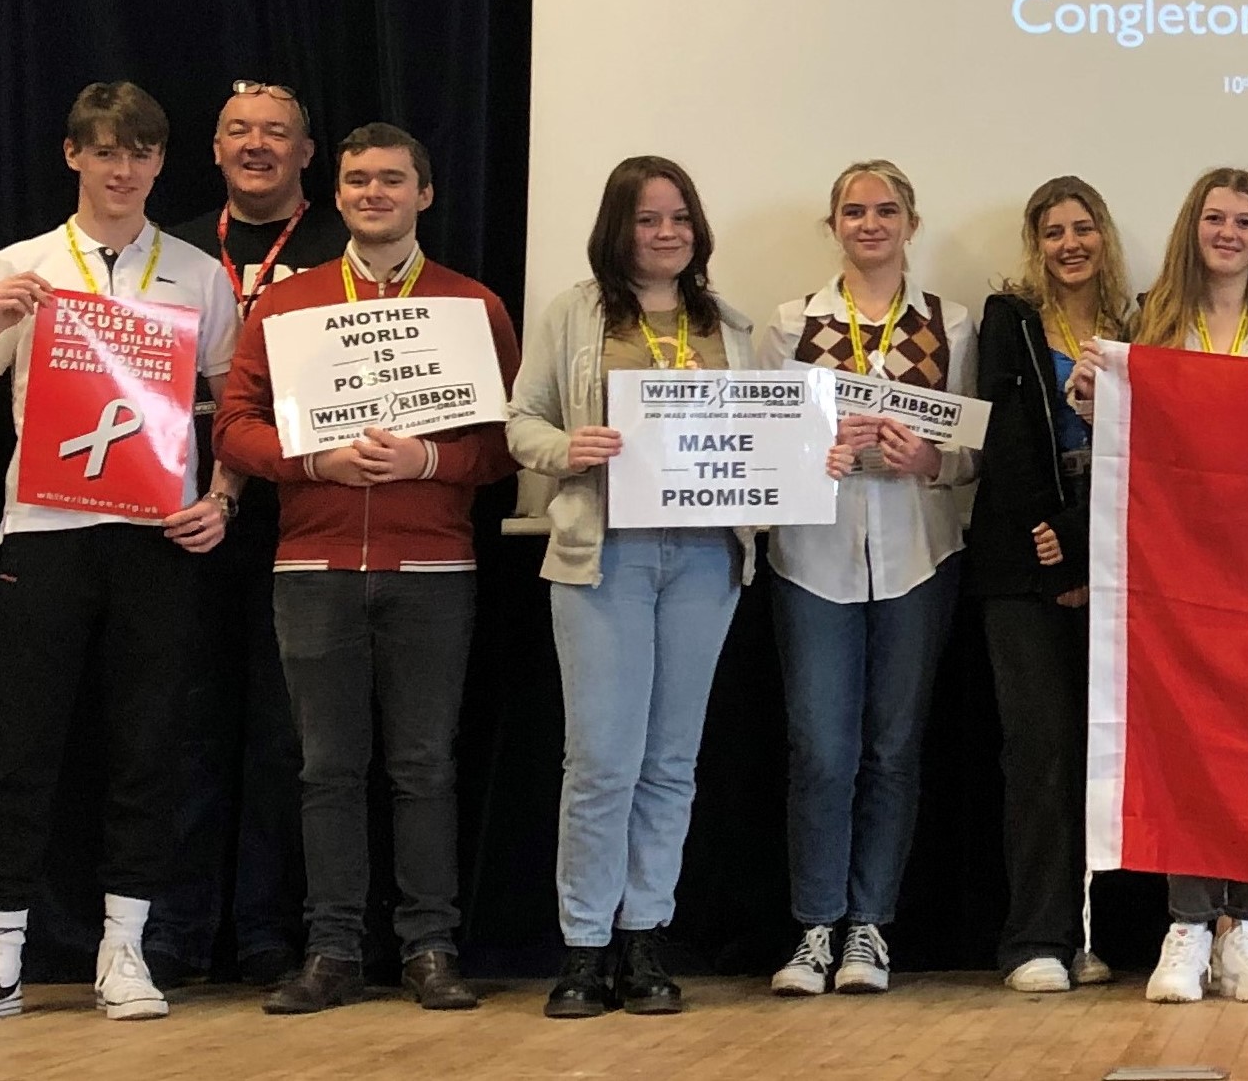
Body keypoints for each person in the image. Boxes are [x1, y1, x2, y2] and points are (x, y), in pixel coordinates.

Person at [0, 82, 247, 1027]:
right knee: (21, 747)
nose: (123, 169)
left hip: (156, 540)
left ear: (159, 164)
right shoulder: (21, 265)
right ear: (72, 157)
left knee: (145, 748)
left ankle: (126, 949)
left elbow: (239, 409)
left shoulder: (195, 272)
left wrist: (221, 498)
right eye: (105, 152)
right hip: (45, 535)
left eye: (140, 153)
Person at [213, 125, 518, 1015]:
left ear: (425, 194)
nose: (373, 193)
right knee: (325, 770)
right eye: (357, 181)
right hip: (311, 563)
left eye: (392, 180)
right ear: (336, 195)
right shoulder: (287, 303)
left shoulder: (472, 306)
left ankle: (429, 948)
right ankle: (333, 950)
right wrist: (315, 464)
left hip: (433, 568)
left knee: (424, 767)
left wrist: (429, 463)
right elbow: (233, 426)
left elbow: (505, 443)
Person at [507, 156, 766, 1018]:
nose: (665, 234)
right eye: (648, 219)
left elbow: (768, 436)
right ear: (617, 227)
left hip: (703, 560)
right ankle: (583, 948)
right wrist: (566, 450)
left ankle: (645, 937)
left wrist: (808, 462)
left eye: (679, 218)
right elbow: (521, 420)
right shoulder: (573, 315)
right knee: (601, 762)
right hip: (602, 556)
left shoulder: (730, 324)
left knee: (671, 764)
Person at [1102, 168, 1248, 1005]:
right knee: (1188, 745)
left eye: (1246, 220)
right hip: (1180, 565)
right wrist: (1100, 400)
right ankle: (1188, 925)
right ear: (1190, 226)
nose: (1230, 232)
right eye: (1215, 217)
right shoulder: (1153, 319)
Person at [756, 160, 980, 999]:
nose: (870, 223)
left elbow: (967, 455)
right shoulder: (787, 325)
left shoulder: (949, 323)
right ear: (834, 226)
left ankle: (869, 931)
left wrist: (930, 460)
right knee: (821, 749)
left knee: (893, 749)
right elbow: (768, 445)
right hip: (812, 561)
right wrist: (814, 457)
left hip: (918, 556)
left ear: (911, 224)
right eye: (853, 211)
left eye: (886, 210)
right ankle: (814, 927)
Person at [155, 79, 345, 988]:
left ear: (308, 154)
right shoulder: (174, 250)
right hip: (174, 517)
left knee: (283, 739)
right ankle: (179, 933)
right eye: (239, 130)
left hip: (301, 518)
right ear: (217, 148)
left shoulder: (342, 253)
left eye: (277, 133)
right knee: (185, 730)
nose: (257, 145)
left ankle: (268, 932)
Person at [969, 176, 1132, 994]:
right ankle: (1036, 937)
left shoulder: (1137, 323)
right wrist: (1056, 554)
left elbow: (1150, 441)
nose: (1070, 244)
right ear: (1034, 246)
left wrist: (1084, 541)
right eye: (1052, 232)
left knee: (1106, 755)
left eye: (1083, 228)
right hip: (1022, 564)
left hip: (1113, 553)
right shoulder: (1010, 320)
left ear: (1104, 235)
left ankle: (1096, 936)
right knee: (1040, 750)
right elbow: (1004, 439)